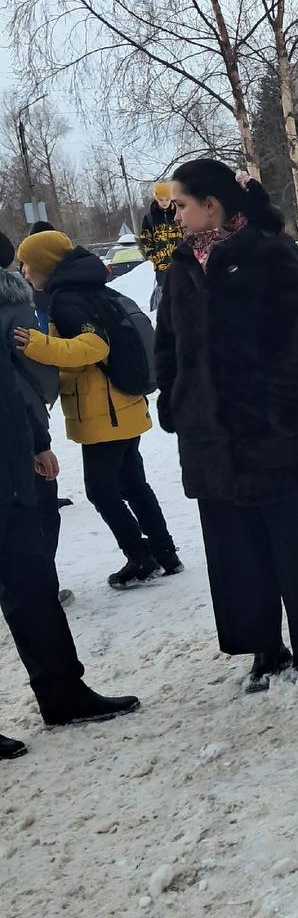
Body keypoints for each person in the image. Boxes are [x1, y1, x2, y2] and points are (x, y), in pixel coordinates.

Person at [156, 159, 298, 693]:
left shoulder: (271, 258)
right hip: (209, 436)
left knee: (290, 544)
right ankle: (264, 647)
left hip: (270, 434)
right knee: (235, 550)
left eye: (182, 205)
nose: (177, 215)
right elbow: (168, 345)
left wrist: (284, 413)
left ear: (212, 204)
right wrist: (175, 398)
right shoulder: (182, 266)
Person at [0, 315, 140, 747]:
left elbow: (10, 382)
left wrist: (38, 439)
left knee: (35, 590)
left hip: (11, 480)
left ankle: (65, 696)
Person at [14, 231, 182, 590]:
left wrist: (39, 345)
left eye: (26, 263)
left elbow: (93, 347)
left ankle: (141, 557)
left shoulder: (66, 299)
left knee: (101, 490)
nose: (23, 271)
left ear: (43, 263)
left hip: (104, 412)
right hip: (124, 403)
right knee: (134, 485)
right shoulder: (91, 287)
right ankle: (166, 554)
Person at [0, 232, 68, 602]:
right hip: (21, 413)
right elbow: (37, 364)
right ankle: (43, 589)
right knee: (40, 504)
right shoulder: (18, 305)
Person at [138, 182, 183, 313]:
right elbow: (146, 240)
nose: (164, 203)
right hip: (162, 266)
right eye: (161, 199)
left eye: (167, 199)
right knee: (164, 295)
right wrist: (153, 256)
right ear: (156, 198)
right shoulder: (150, 218)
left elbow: (187, 233)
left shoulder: (178, 214)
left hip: (180, 262)